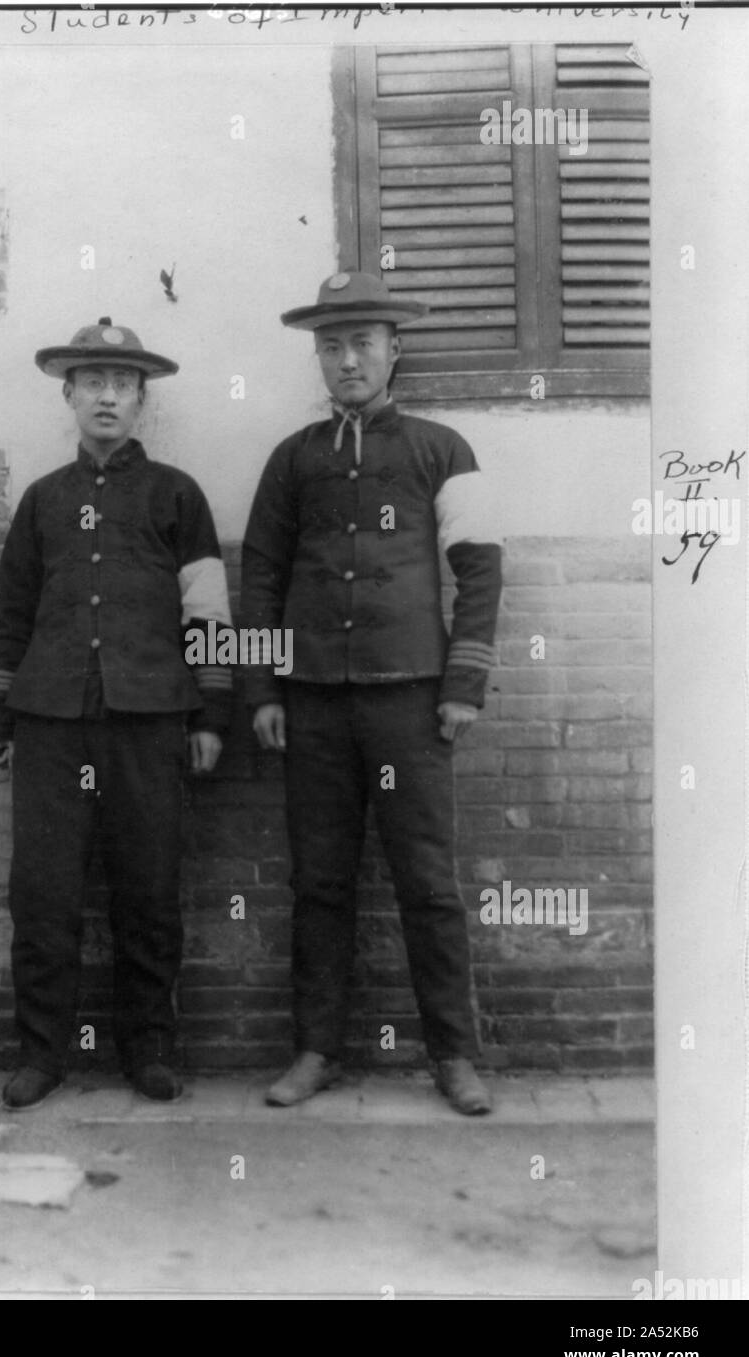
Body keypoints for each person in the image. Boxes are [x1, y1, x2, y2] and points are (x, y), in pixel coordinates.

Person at [240, 271, 502, 1115]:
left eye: (362, 343)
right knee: (319, 882)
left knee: (427, 883)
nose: (346, 359)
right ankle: (315, 1050)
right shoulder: (293, 461)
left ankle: (455, 1059)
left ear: (395, 349)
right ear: (317, 357)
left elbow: (481, 571)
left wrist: (464, 682)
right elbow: (261, 578)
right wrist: (262, 692)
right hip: (313, 703)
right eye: (331, 345)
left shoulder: (442, 449)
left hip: (411, 702)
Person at [0, 317, 232, 1110]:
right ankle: (42, 1054)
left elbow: (210, 615)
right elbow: (13, 612)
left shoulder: (177, 495)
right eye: (91, 381)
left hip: (149, 720)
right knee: (45, 894)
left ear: (140, 401)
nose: (106, 396)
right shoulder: (42, 500)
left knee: (149, 890)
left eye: (122, 384)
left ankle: (150, 1052)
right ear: (68, 394)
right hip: (52, 723)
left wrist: (209, 717)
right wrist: (1, 719)